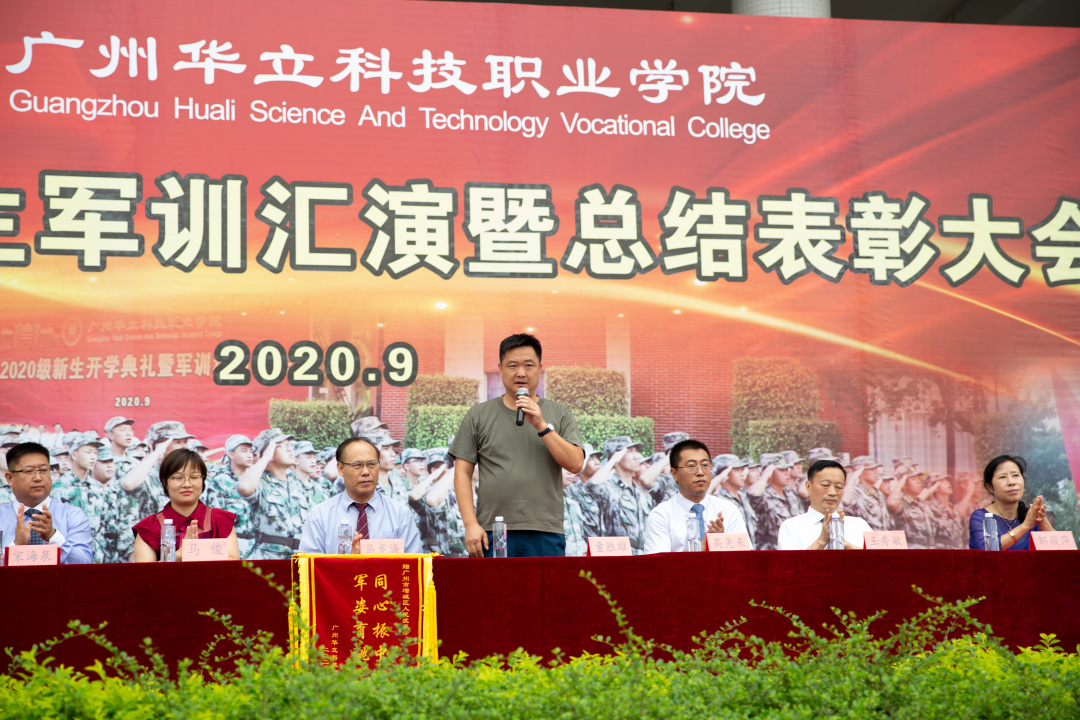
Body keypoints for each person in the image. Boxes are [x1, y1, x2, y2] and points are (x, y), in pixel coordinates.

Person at [450, 334, 584, 558]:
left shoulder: (560, 414)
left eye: (528, 365)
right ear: (500, 368)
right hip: (492, 529)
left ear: (540, 368)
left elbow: (575, 464)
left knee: (544, 583)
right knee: (496, 583)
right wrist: (470, 524)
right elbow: (462, 473)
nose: (521, 373)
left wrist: (542, 426)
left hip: (544, 529)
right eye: (513, 365)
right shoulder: (478, 415)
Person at [299, 437, 421, 554]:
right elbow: (310, 565)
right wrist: (350, 563)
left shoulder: (400, 514)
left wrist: (383, 561)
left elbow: (413, 563)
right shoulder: (320, 516)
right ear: (340, 469)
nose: (366, 472)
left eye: (372, 464)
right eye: (357, 465)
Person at [132, 448, 239, 562]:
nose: (187, 484)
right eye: (178, 478)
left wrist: (192, 552)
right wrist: (178, 555)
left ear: (203, 480)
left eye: (194, 477)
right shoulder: (148, 528)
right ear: (164, 482)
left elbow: (233, 563)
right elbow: (145, 572)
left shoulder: (220, 520)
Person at [643, 439, 747, 553]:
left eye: (705, 465)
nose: (700, 472)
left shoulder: (728, 510)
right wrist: (704, 545)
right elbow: (658, 563)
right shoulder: (661, 515)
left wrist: (720, 543)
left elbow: (744, 557)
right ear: (674, 474)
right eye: (691, 466)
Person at [1, 442, 92, 564]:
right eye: (29, 471)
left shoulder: (72, 515)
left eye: (44, 470)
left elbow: (85, 565)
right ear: (10, 478)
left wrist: (53, 537)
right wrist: (16, 546)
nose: (38, 478)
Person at [244, 428, 325, 559]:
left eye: (290, 445)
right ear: (269, 452)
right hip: (269, 558)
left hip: (300, 558)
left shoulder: (298, 483)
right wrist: (265, 457)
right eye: (282, 446)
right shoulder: (261, 483)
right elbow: (245, 488)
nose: (290, 449)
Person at [777, 459, 872, 550]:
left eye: (838, 487)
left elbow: (877, 558)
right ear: (808, 486)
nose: (833, 493)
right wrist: (821, 542)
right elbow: (788, 561)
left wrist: (845, 544)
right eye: (825, 485)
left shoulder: (859, 525)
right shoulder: (791, 527)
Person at [969, 455, 1053, 551]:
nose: (1011, 482)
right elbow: (986, 549)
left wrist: (1042, 521)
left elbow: (1059, 553)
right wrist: (1024, 526)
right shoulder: (980, 517)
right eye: (1002, 477)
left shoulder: (1030, 516)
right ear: (990, 487)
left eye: (1015, 475)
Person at [204, 434, 258, 559]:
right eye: (244, 451)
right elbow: (214, 521)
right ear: (231, 454)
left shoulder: (256, 480)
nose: (249, 455)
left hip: (258, 548)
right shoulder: (220, 482)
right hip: (234, 546)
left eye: (251, 451)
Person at [747, 452, 806, 550]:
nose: (787, 473)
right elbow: (754, 493)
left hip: (795, 547)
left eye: (787, 469)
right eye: (782, 470)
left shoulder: (790, 492)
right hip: (772, 550)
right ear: (770, 473)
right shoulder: (764, 495)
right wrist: (765, 475)